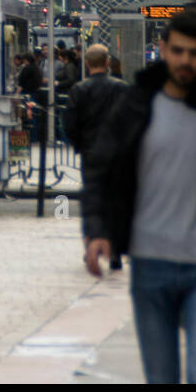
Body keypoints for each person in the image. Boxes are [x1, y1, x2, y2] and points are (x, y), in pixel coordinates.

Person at [81, 9, 196, 384]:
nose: (186, 61)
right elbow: (100, 167)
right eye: (178, 51)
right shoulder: (136, 105)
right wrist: (97, 229)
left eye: (195, 53)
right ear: (164, 49)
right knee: (161, 376)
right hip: (151, 266)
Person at [67, 44, 129, 269]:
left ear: (86, 64)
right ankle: (114, 251)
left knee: (93, 201)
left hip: (91, 154)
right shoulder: (122, 89)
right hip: (118, 154)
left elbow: (70, 125)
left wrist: (80, 144)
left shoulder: (79, 90)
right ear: (107, 64)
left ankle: (92, 245)